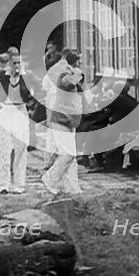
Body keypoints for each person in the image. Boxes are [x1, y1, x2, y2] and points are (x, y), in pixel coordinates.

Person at [0, 53, 40, 194]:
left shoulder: (26, 77)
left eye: (18, 63)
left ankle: (19, 183)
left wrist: (32, 103)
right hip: (6, 111)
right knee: (4, 149)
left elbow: (40, 90)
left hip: (20, 111)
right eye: (13, 63)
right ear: (9, 64)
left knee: (21, 149)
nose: (16, 66)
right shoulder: (2, 76)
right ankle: (4, 183)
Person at [41, 50, 84, 195]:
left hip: (66, 119)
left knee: (70, 157)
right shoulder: (65, 73)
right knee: (68, 154)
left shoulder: (63, 71)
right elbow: (66, 82)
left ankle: (72, 188)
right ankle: (50, 179)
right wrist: (77, 75)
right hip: (61, 119)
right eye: (78, 61)